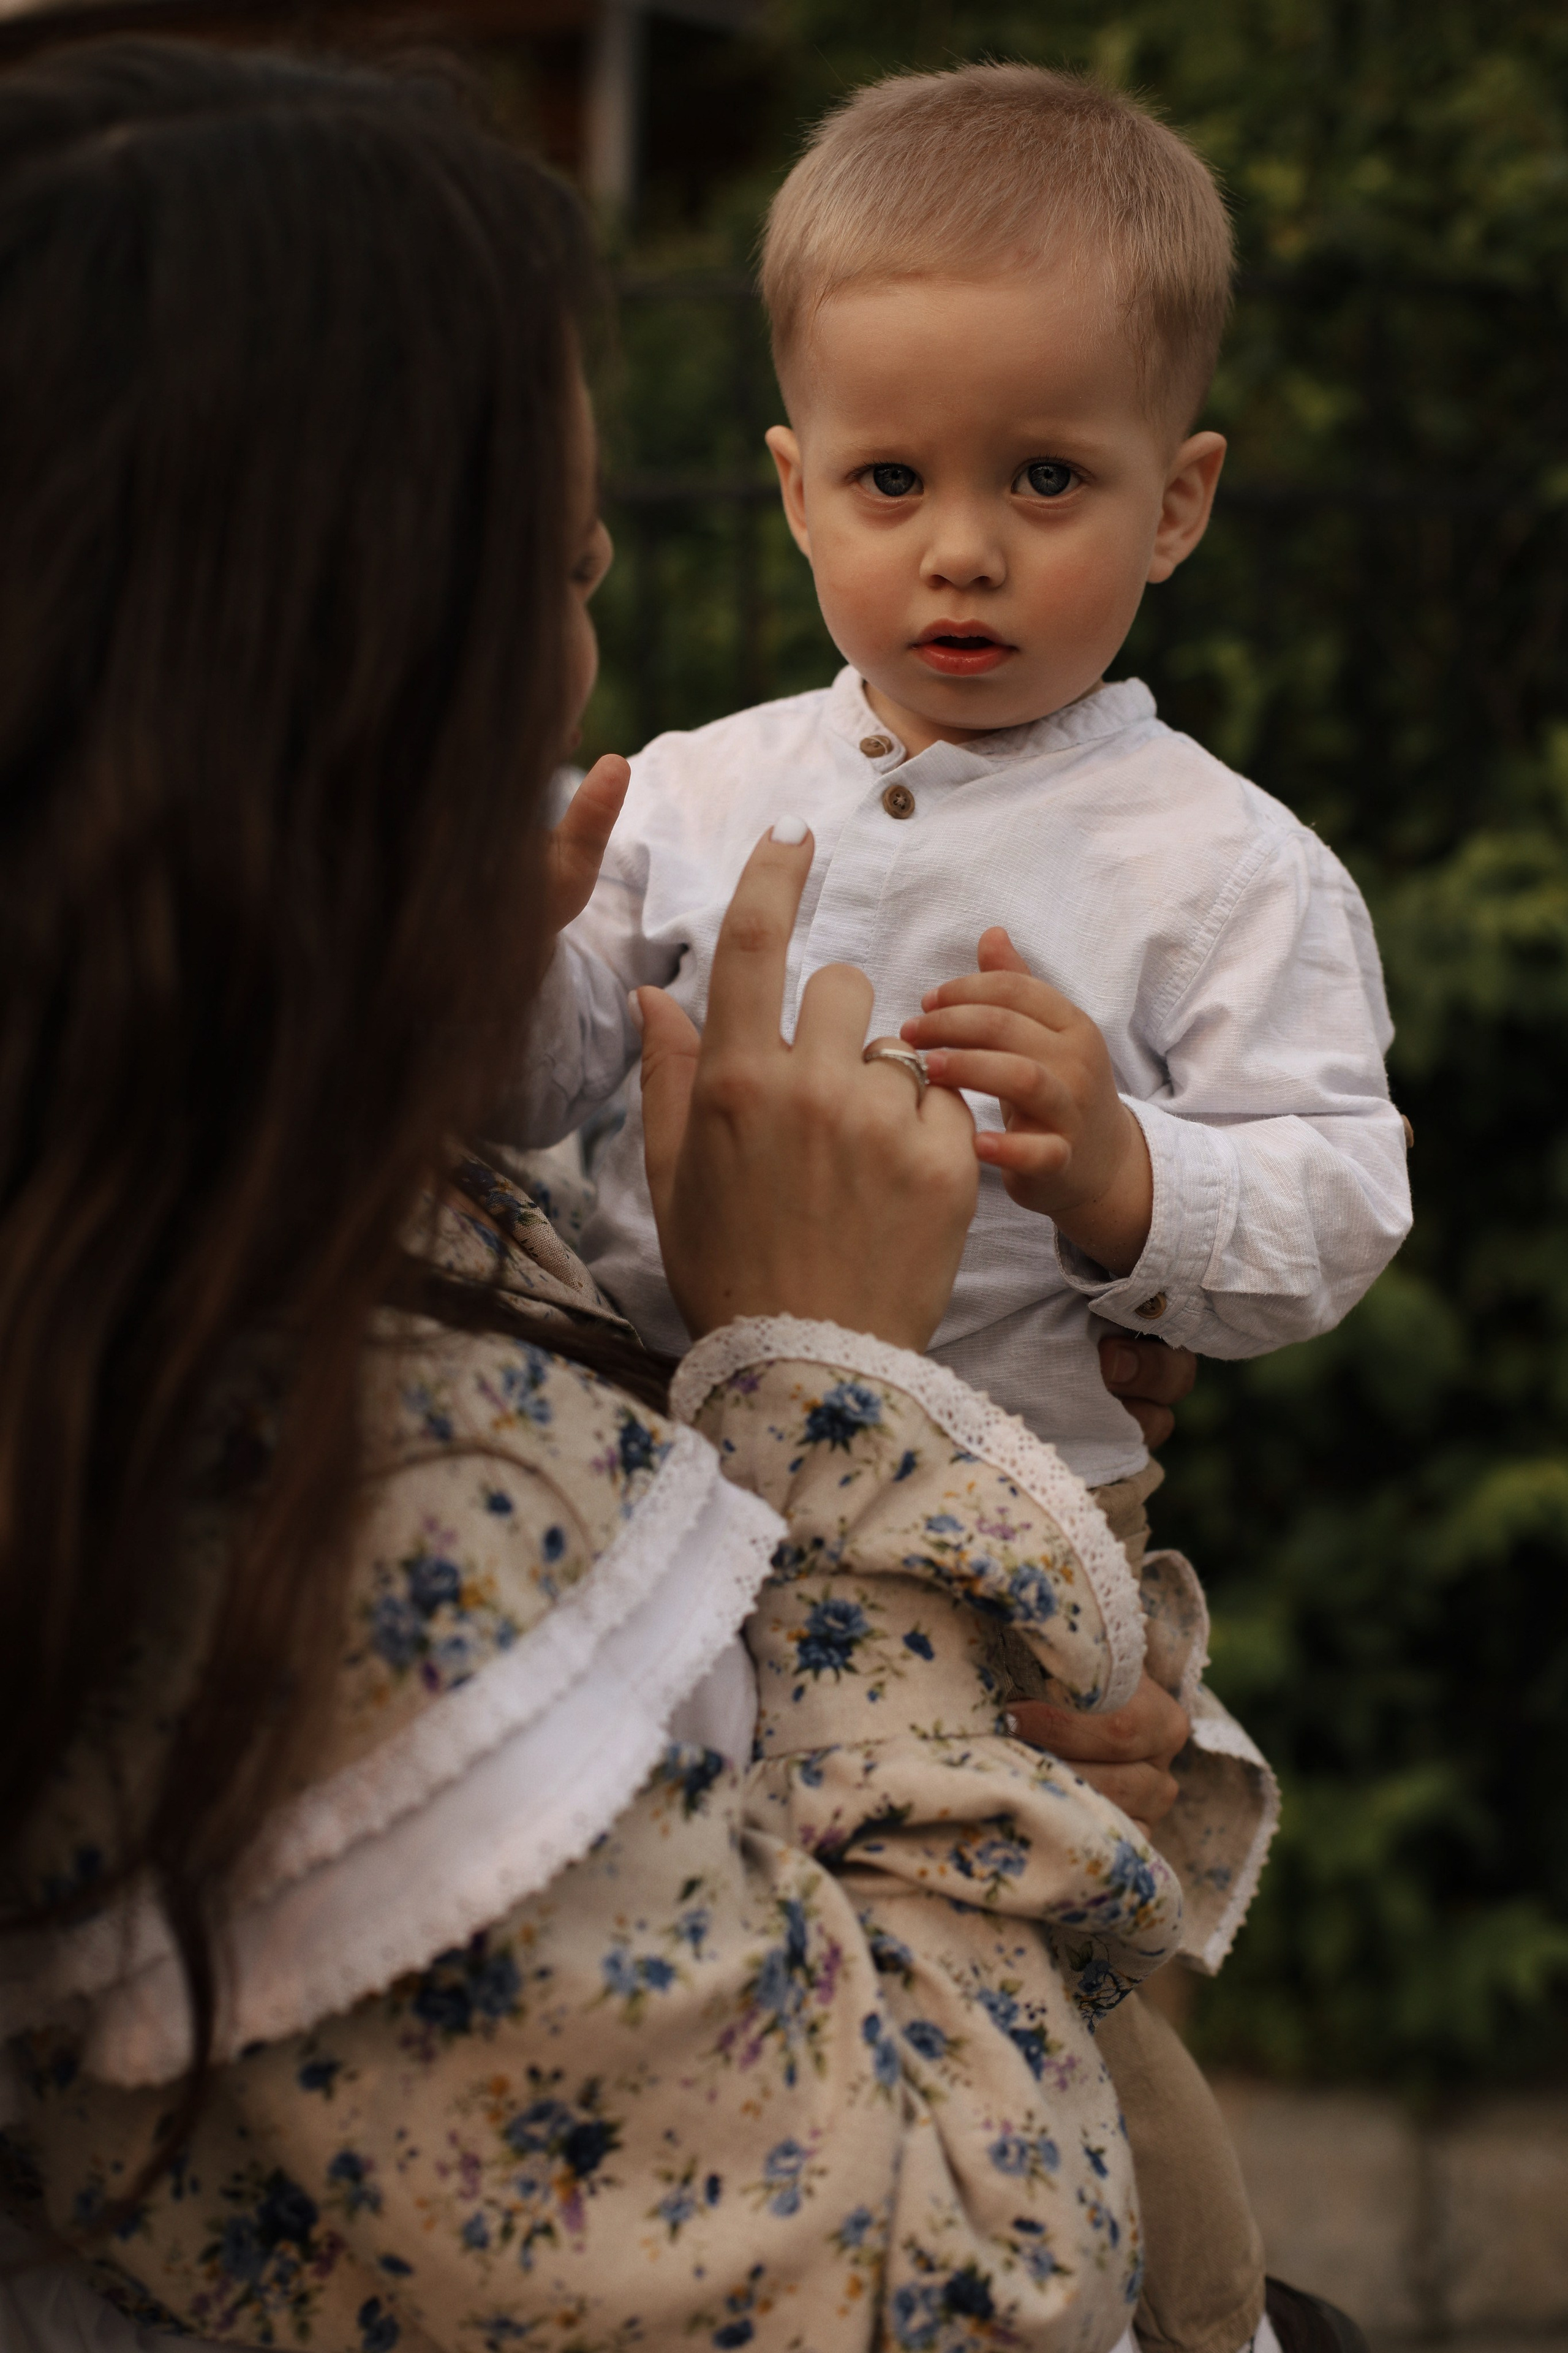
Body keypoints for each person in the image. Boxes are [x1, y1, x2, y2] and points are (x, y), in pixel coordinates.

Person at [0, 40, 1286, 2353]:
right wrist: (853, 1413)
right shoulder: (339, 1530)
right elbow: (961, 2290)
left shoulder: (166, 1223)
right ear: (337, 680)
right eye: (560, 575)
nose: (584, 668)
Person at [508, 61, 1408, 2353]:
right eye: (895, 481)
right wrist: (504, 952)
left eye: (1048, 480)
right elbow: (537, 1085)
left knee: (1044, 2016)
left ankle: (1177, 2323)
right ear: (798, 490)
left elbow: (1335, 1197)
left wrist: (1129, 1177)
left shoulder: (1221, 865)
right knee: (730, 2014)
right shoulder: (692, 797)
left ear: (1181, 500)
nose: (966, 549)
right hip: (665, 1514)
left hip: (1019, 1559)